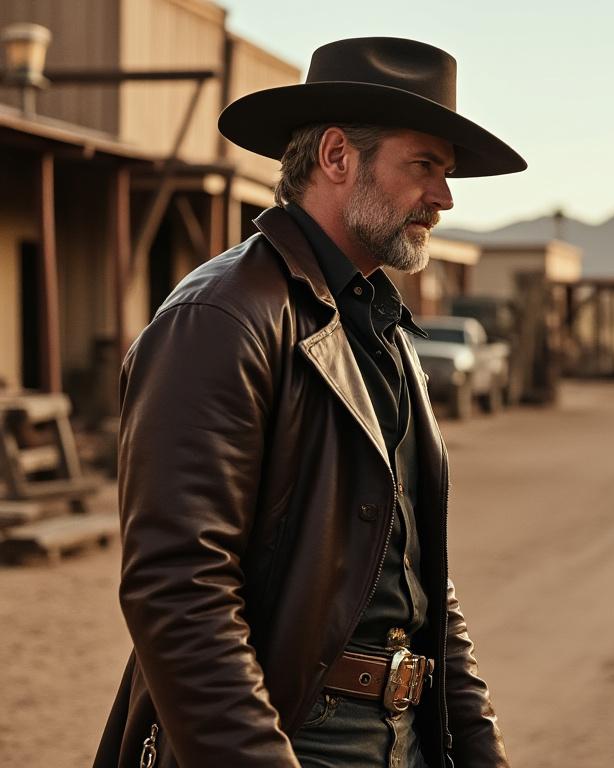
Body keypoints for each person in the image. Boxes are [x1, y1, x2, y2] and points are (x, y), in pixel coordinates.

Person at [95, 38, 524, 768]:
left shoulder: (382, 330)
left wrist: (478, 745)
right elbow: (178, 589)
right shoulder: (222, 317)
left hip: (404, 737)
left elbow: (419, 577)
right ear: (335, 157)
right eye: (425, 166)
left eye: (447, 175)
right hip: (297, 738)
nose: (445, 199)